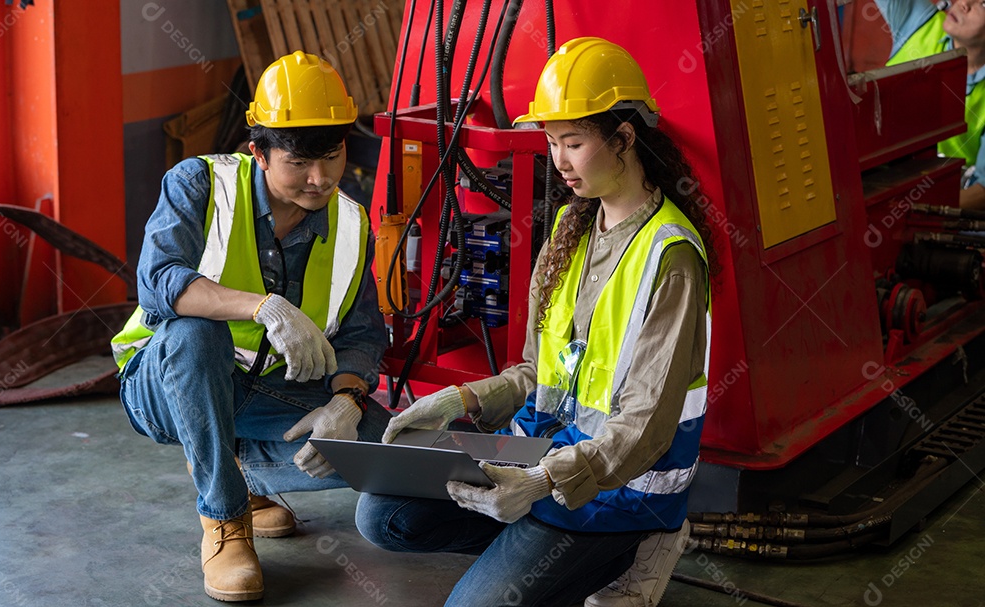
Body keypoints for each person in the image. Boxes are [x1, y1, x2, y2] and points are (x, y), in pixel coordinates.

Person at [355, 37, 714, 607]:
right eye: (551, 142)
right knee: (382, 514)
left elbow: (643, 427)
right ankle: (529, 542)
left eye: (574, 143)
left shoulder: (670, 259)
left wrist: (541, 482)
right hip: (537, 458)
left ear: (625, 138)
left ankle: (642, 547)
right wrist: (460, 400)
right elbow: (536, 371)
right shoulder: (571, 231)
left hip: (614, 492)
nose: (559, 161)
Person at [110, 51, 390, 602]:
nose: (320, 178)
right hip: (166, 381)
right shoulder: (199, 184)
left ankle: (244, 472)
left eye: (331, 157)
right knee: (195, 334)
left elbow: (361, 334)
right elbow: (158, 280)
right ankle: (224, 516)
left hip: (265, 391)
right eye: (299, 163)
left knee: (384, 449)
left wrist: (346, 401)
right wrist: (263, 307)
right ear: (258, 152)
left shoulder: (352, 223)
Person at [877, 0, 985, 209]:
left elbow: (982, 191)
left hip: (934, 201)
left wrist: (912, 210)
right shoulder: (918, 21)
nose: (964, 3)